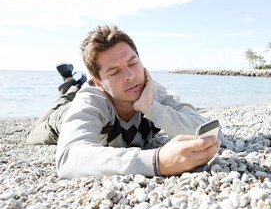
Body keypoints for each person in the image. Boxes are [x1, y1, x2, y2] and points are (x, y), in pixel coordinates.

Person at [27, 25, 223, 179]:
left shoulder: (149, 88)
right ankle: (69, 82)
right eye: (114, 72)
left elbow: (211, 131)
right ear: (98, 83)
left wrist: (151, 108)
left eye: (132, 63)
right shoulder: (91, 99)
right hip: (61, 117)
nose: (130, 76)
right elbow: (68, 159)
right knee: (37, 130)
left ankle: (73, 82)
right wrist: (157, 161)